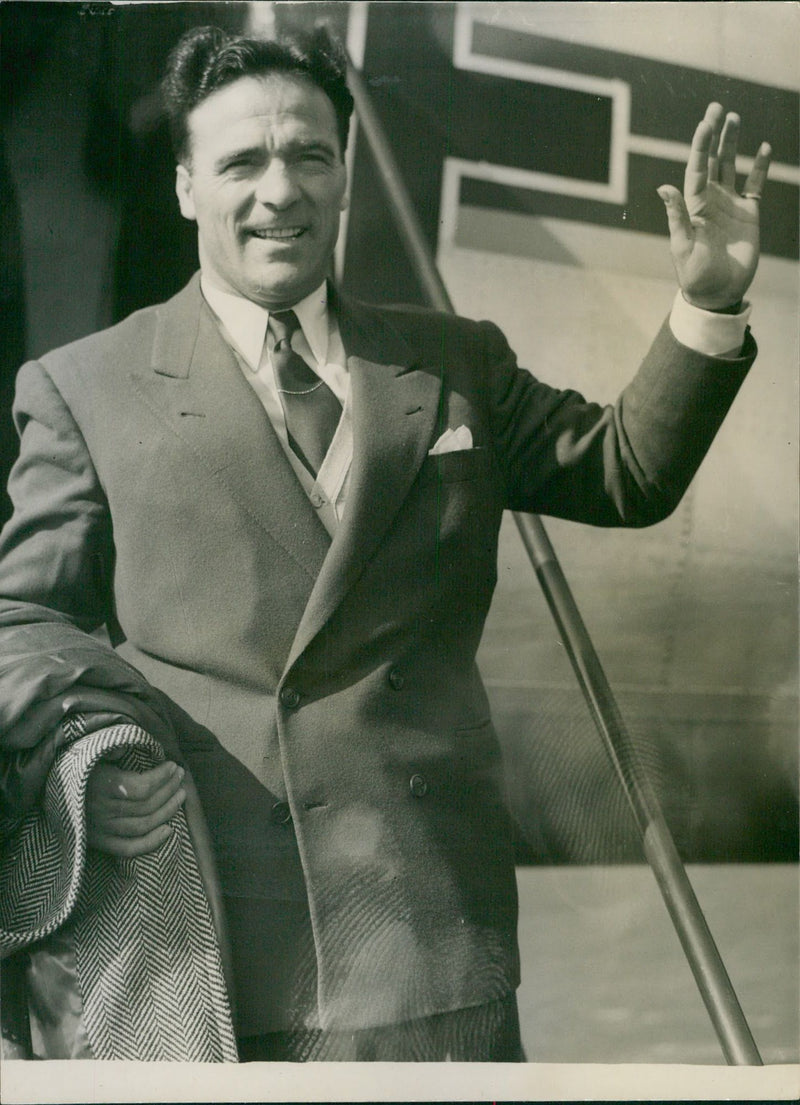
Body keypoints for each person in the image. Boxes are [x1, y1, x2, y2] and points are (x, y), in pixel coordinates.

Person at [0, 24, 771, 1062]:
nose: (280, 191)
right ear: (185, 186)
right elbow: (22, 618)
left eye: (308, 156)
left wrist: (707, 303)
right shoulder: (85, 387)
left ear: (344, 174)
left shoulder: (453, 363)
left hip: (434, 947)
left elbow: (624, 470)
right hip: (226, 955)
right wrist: (88, 749)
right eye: (241, 162)